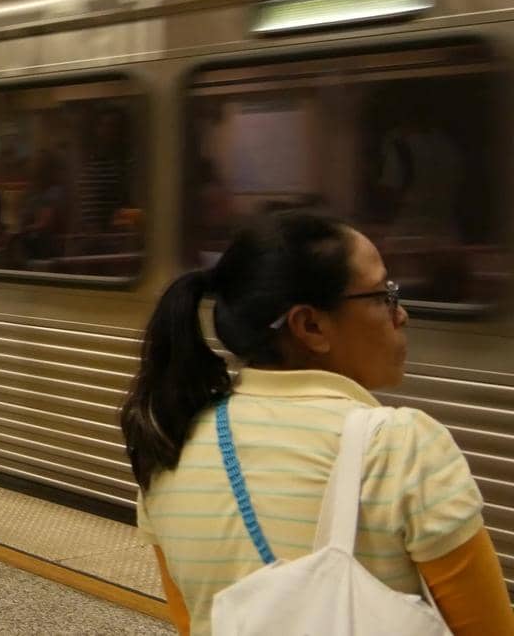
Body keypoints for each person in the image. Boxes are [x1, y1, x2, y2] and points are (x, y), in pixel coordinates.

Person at [120, 212, 514, 635]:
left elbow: (194, 624)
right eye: (384, 296)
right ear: (310, 325)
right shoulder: (401, 446)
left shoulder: (169, 444)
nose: (401, 316)